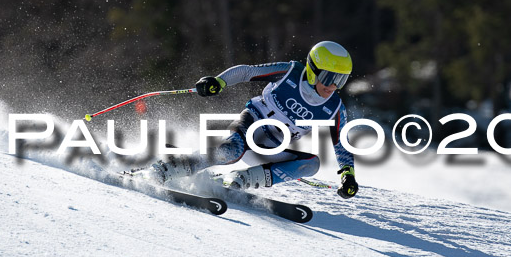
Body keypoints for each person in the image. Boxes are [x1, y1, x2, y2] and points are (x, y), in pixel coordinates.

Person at [144, 41, 359, 199]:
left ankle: (240, 180)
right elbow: (248, 72)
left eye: (340, 80)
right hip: (253, 121)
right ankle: (169, 168)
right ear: (313, 70)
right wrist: (219, 82)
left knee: (312, 164)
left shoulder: (334, 108)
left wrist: (347, 174)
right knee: (232, 151)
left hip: (271, 147)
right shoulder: (290, 72)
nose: (332, 86)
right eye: (329, 78)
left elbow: (341, 144)